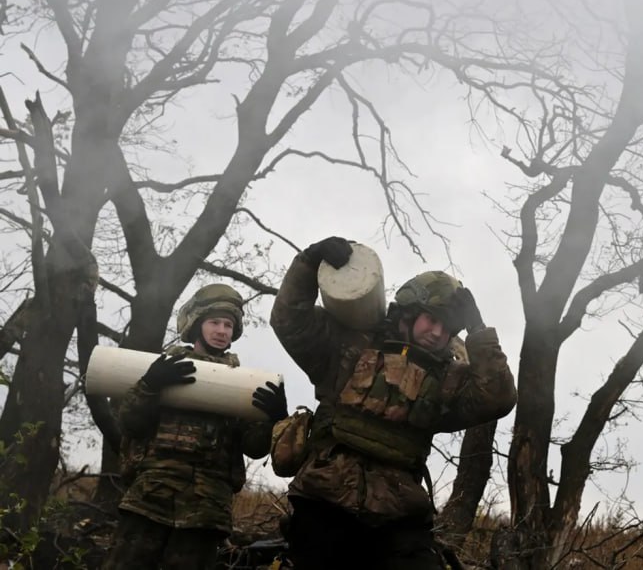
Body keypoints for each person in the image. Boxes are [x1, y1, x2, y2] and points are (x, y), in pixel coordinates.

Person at [270, 236, 517, 570]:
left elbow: (498, 398)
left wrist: (478, 330)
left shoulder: (449, 378)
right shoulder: (349, 346)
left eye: (446, 326)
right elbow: (290, 320)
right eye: (431, 318)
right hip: (324, 500)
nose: (436, 331)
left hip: (400, 515)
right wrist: (309, 262)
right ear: (408, 314)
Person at [105, 283, 289, 570]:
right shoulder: (166, 368)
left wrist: (274, 419)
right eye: (214, 322)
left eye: (228, 325)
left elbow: (254, 448)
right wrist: (150, 385)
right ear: (196, 324)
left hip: (206, 508)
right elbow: (131, 423)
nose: (221, 330)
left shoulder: (240, 383)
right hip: (150, 497)